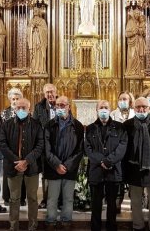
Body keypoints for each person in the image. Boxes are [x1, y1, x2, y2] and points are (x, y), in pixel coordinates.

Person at [0, 98, 44, 231]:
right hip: (13, 167)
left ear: (29, 109)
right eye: (18, 107)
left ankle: (33, 226)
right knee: (14, 198)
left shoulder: (36, 125)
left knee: (32, 198)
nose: (21, 110)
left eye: (24, 107)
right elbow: (2, 144)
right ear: (14, 108)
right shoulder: (6, 124)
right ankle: (13, 226)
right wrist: (16, 161)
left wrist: (27, 160)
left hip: (32, 167)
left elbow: (40, 145)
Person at [123, 97, 150, 231]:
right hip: (133, 167)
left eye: (144, 107)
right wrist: (124, 172)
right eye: (138, 107)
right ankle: (138, 226)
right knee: (135, 200)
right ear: (134, 108)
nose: (141, 109)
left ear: (149, 108)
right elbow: (124, 150)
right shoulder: (127, 125)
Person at [85, 100, 128, 231]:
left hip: (113, 171)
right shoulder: (90, 128)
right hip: (96, 171)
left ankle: (111, 228)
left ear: (110, 110)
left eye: (106, 107)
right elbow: (88, 148)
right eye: (101, 108)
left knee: (112, 205)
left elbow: (122, 146)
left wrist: (109, 161)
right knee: (96, 205)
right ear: (96, 110)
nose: (103, 110)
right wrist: (102, 161)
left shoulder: (120, 127)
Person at [44, 96, 84, 231]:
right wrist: (56, 164)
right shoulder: (49, 125)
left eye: (63, 105)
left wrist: (67, 165)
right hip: (53, 168)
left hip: (69, 169)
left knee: (68, 199)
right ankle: (50, 222)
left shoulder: (77, 126)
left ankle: (66, 222)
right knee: (52, 199)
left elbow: (80, 149)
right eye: (58, 105)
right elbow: (46, 148)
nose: (60, 108)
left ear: (69, 106)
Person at [33, 83, 57, 209]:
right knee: (46, 173)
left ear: (56, 92)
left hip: (59, 145)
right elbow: (35, 126)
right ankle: (46, 199)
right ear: (44, 94)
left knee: (58, 171)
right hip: (44, 146)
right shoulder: (39, 107)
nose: (50, 94)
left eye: (52, 91)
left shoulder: (62, 104)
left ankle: (58, 199)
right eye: (47, 92)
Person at [110, 90, 135, 212]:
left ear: (130, 101)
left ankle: (135, 203)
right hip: (117, 152)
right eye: (120, 99)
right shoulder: (113, 114)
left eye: (125, 99)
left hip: (132, 152)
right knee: (118, 179)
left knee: (132, 179)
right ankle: (117, 204)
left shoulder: (136, 114)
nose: (122, 101)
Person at [1, 87, 25, 206]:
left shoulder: (23, 112)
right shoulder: (5, 113)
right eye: (13, 99)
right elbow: (2, 132)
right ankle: (7, 197)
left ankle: (21, 198)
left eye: (17, 98)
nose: (15, 101)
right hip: (9, 149)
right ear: (10, 99)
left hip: (22, 148)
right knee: (8, 173)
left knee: (22, 173)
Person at [125, 10, 146, 76]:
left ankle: (137, 72)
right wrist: (133, 32)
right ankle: (131, 71)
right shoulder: (130, 22)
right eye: (136, 13)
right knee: (132, 57)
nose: (137, 15)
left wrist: (141, 32)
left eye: (138, 14)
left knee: (138, 58)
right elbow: (126, 34)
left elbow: (143, 33)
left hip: (138, 43)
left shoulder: (138, 22)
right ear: (133, 14)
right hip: (132, 44)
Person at [28, 7, 48, 74]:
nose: (35, 12)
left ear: (39, 11)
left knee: (39, 54)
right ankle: (34, 69)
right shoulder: (31, 21)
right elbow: (28, 32)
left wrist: (39, 28)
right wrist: (32, 28)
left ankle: (40, 69)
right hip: (33, 41)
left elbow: (45, 31)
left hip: (40, 41)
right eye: (34, 11)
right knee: (34, 55)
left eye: (36, 10)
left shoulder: (42, 21)